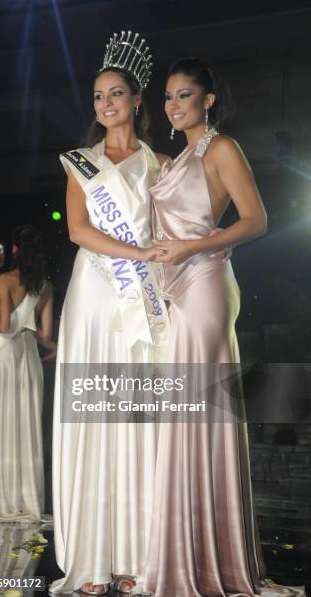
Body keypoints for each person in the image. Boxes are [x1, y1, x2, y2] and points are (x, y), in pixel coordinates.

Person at [144, 58, 305, 597]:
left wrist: (191, 246)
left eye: (185, 95)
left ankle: (213, 557)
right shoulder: (174, 159)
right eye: (168, 96)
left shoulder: (220, 149)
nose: (173, 104)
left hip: (208, 284)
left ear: (208, 100)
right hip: (172, 287)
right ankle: (184, 546)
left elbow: (255, 219)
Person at [50, 31, 171, 596]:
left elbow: (174, 232)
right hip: (96, 298)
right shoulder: (81, 164)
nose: (106, 104)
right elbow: (78, 231)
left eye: (116, 93)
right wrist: (139, 253)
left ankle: (134, 556)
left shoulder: (161, 163)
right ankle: (94, 558)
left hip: (141, 299)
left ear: (137, 99)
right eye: (98, 96)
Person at [0, 224, 53, 522]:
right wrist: (54, 351)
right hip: (29, 359)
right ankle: (25, 498)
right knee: (26, 426)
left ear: (16, 249)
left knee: (0, 425)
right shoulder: (47, 286)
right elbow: (46, 335)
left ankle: (1, 499)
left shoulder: (5, 279)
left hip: (6, 354)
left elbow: (1, 326)